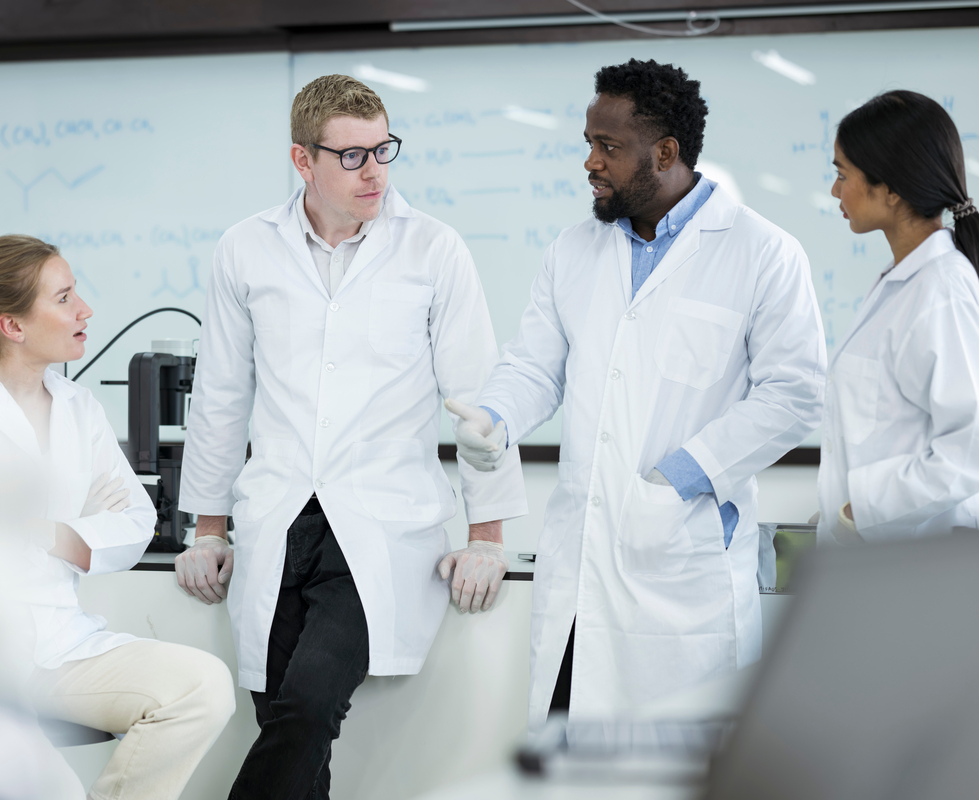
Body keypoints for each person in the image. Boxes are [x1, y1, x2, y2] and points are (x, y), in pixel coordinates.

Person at [175, 74, 528, 799]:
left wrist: (487, 534)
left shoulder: (433, 249)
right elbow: (220, 397)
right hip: (276, 518)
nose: (376, 172)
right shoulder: (246, 249)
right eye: (353, 157)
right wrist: (207, 527)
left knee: (306, 708)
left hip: (383, 523)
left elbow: (478, 402)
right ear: (303, 161)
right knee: (282, 718)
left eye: (384, 150)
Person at [449, 59, 826, 727]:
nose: (591, 162)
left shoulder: (762, 253)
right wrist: (495, 418)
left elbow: (792, 395)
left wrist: (676, 479)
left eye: (609, 147)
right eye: (589, 143)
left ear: (666, 152)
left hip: (681, 569)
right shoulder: (573, 250)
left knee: (676, 776)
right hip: (581, 578)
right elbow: (536, 365)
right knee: (567, 763)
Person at [0, 234, 235, 800]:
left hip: (63, 647)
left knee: (203, 688)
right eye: (64, 298)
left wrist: (52, 533)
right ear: (13, 326)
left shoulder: (76, 408)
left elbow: (134, 518)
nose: (84, 310)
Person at [817, 90, 979, 543]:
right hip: (881, 561)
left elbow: (969, 452)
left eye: (842, 174)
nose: (835, 190)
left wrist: (857, 511)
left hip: (917, 568)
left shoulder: (943, 289)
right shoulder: (903, 284)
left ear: (890, 189)